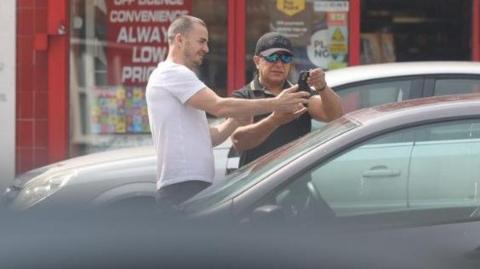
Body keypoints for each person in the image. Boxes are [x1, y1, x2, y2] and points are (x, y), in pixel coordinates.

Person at [145, 16, 310, 210]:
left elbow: (210, 137)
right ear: (180, 40)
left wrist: (233, 122)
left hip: (188, 184)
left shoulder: (173, 76)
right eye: (202, 41)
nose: (206, 49)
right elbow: (219, 106)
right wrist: (276, 103)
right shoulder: (173, 73)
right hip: (183, 186)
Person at [231, 32, 344, 168]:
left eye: (285, 58)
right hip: (256, 184)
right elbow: (239, 141)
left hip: (293, 180)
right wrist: (274, 120)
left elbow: (335, 116)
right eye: (272, 57)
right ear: (257, 61)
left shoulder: (300, 94)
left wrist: (322, 87)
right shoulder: (243, 96)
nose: (279, 64)